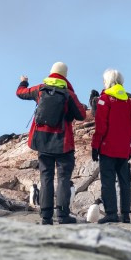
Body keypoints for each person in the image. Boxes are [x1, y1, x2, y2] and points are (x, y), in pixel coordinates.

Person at [16, 62, 87, 224]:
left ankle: (46, 216)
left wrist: (23, 82)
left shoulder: (40, 89)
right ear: (65, 75)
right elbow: (82, 115)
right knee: (63, 178)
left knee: (46, 177)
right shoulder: (68, 94)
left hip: (42, 141)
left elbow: (20, 93)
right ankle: (62, 215)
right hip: (63, 143)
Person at [90, 69, 131, 223]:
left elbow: (101, 126)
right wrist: (130, 148)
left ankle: (111, 213)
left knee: (108, 181)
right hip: (123, 150)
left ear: (108, 81)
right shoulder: (127, 102)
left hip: (108, 148)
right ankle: (125, 214)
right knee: (124, 181)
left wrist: (95, 146)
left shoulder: (105, 99)